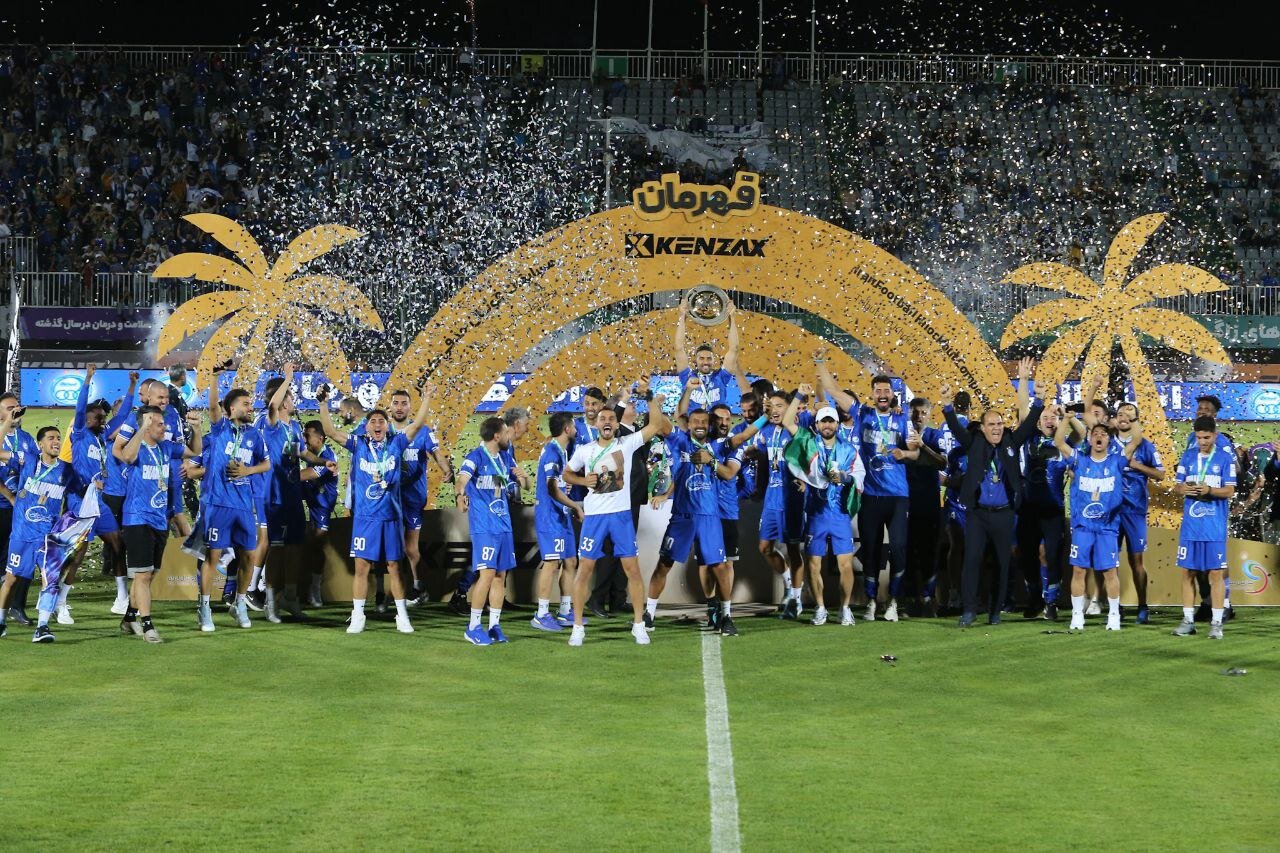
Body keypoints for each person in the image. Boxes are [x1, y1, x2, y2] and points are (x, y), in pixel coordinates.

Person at [317, 383, 433, 634]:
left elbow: (417, 425)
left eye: (382, 421)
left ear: (387, 426)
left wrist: (427, 398)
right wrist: (323, 404)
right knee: (362, 567)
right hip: (365, 518)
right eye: (373, 422)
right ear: (367, 427)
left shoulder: (397, 443)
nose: (377, 425)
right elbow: (330, 431)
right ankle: (358, 616)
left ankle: (402, 616)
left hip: (391, 517)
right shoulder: (358, 444)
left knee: (394, 567)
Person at [561, 394, 670, 646]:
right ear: (597, 424)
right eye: (603, 419)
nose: (607, 421)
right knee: (584, 570)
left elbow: (655, 425)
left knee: (632, 570)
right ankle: (577, 627)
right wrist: (582, 480)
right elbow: (567, 474)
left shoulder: (627, 444)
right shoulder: (585, 450)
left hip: (621, 516)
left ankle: (639, 626)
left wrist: (650, 398)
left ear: (616, 424)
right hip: (595, 518)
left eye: (611, 418)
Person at [816, 359, 918, 622]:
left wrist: (905, 452)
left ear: (892, 394)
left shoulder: (903, 418)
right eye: (878, 391)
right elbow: (833, 390)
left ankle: (894, 601)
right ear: (872, 394)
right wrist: (820, 362)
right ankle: (872, 602)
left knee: (899, 547)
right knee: (870, 549)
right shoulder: (863, 414)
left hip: (898, 495)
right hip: (870, 495)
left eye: (886, 391)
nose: (882, 394)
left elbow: (915, 453)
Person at [940, 376, 1045, 627]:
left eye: (999, 423)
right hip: (977, 513)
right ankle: (969, 610)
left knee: (1002, 563)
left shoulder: (1011, 442)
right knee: (972, 560)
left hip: (1004, 514)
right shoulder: (973, 443)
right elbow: (955, 427)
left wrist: (1039, 399)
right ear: (983, 428)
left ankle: (995, 611)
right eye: (991, 424)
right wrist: (946, 404)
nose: (997, 428)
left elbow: (1029, 424)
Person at [646, 407, 739, 635]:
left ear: (709, 425)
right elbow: (661, 423)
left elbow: (740, 445)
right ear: (688, 425)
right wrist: (650, 400)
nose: (700, 425)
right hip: (682, 516)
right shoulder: (680, 442)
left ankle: (726, 616)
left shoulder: (717, 447)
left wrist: (764, 417)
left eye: (704, 421)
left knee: (719, 567)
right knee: (664, 564)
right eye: (695, 421)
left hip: (709, 517)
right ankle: (648, 614)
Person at [113, 406, 202, 643]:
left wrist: (196, 429)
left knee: (150, 574)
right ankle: (148, 626)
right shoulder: (137, 448)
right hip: (137, 519)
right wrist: (141, 427)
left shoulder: (167, 447)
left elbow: (195, 450)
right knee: (143, 575)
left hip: (159, 519)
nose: (165, 427)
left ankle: (129, 618)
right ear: (147, 425)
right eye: (159, 424)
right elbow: (127, 456)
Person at [0, 426, 87, 641]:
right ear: (40, 444)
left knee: (51, 580)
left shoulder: (66, 470)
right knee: (11, 579)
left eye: (58, 438)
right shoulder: (28, 460)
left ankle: (42, 627)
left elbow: (81, 492)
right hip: (22, 534)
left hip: (48, 537)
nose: (56, 441)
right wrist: (6, 422)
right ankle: (1, 620)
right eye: (51, 438)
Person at [783, 398, 864, 627]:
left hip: (839, 514)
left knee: (845, 564)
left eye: (831, 421)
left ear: (837, 424)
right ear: (817, 425)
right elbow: (788, 421)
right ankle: (820, 608)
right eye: (823, 422)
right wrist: (799, 396)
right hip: (816, 513)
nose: (827, 425)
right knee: (813, 564)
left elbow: (859, 476)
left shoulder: (848, 449)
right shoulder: (808, 442)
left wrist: (844, 478)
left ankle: (845, 608)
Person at [200, 382, 272, 631]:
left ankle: (239, 603)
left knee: (249, 557)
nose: (251, 407)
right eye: (246, 404)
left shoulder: (254, 434)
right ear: (231, 408)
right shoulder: (220, 428)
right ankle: (204, 608)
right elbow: (212, 407)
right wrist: (215, 379)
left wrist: (247, 471)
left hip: (243, 505)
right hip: (219, 503)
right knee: (213, 557)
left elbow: (266, 464)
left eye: (251, 403)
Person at [65, 365, 134, 619]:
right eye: (98, 418)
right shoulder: (80, 434)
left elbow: (123, 416)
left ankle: (122, 598)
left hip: (98, 501)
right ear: (87, 419)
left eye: (103, 418)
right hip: (79, 500)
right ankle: (59, 600)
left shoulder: (101, 437)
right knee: (78, 552)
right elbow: (80, 407)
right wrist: (88, 379)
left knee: (117, 543)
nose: (103, 421)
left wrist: (132, 387)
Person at [1054, 408, 1129, 632]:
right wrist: (1067, 418)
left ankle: (1114, 615)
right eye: (1095, 433)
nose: (1099, 436)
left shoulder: (1116, 461)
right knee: (1079, 570)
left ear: (1109, 441)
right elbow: (1059, 442)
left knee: (1110, 572)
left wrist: (1132, 420)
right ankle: (1077, 615)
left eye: (1104, 434)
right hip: (1083, 527)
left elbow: (1135, 441)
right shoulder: (1079, 460)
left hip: (1107, 528)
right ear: (1089, 438)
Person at [1014, 359, 1070, 620]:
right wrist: (1024, 380)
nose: (1048, 419)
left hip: (1053, 509)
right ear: (1038, 421)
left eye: (1052, 417)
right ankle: (1035, 597)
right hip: (1028, 506)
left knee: (1050, 554)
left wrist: (1067, 416)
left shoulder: (1065, 443)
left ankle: (1051, 601)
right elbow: (1023, 411)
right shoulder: (1029, 437)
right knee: (1026, 554)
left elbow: (1081, 434)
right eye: (1044, 416)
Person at [1172, 415, 1236, 640]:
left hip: (1214, 527)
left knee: (1216, 573)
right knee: (1187, 572)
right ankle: (1188, 621)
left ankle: (1217, 623)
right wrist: (1184, 489)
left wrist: (1210, 491)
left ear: (1215, 436)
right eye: (1199, 438)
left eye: (1206, 438)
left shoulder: (1225, 458)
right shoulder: (1188, 456)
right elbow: (1177, 486)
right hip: (1191, 527)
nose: (1202, 442)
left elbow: (1230, 490)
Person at [456, 416, 518, 645]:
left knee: (500, 576)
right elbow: (462, 479)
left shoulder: (505, 457)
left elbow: (521, 484)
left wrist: (523, 480)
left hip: (504, 525)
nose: (509, 436)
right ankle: (473, 626)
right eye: (506, 432)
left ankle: (494, 626)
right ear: (497, 436)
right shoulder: (475, 457)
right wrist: (459, 495)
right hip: (484, 526)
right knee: (487, 574)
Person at [387, 389, 452, 605]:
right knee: (389, 547)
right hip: (387, 498)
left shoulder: (422, 431)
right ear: (390, 406)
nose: (399, 407)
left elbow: (436, 452)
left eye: (403, 403)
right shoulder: (382, 431)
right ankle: (389, 591)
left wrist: (446, 469)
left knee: (410, 548)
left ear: (410, 406)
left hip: (413, 498)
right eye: (396, 403)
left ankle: (418, 588)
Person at [748, 389, 808, 616]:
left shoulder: (796, 431)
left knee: (793, 550)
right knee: (764, 547)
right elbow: (763, 460)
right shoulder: (766, 431)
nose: (774, 410)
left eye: (779, 406)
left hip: (791, 499)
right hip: (771, 498)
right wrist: (754, 455)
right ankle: (789, 584)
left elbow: (809, 459)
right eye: (771, 406)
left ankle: (797, 600)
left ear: (789, 409)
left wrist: (805, 481)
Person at [260, 367, 308, 623]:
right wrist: (288, 378)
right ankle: (270, 603)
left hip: (293, 496)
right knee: (277, 550)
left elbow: (302, 454)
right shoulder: (273, 425)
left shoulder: (295, 427)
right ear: (284, 401)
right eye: (290, 396)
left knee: (295, 549)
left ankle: (290, 597)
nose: (293, 400)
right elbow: (272, 406)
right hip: (275, 496)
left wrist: (322, 461)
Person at [530, 412, 583, 632]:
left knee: (570, 561)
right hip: (550, 516)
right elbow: (551, 489)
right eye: (574, 425)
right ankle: (541, 614)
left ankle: (564, 610)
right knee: (552, 563)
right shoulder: (552, 452)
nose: (576, 429)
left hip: (561, 515)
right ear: (567, 429)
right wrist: (575, 506)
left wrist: (566, 489)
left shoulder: (561, 450)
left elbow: (557, 484)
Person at [1112, 402, 1165, 624]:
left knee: (1136, 560)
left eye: (1129, 415)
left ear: (1136, 420)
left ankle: (1143, 606)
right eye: (1120, 414)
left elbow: (1160, 475)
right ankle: (1114, 606)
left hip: (1135, 511)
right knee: (1110, 561)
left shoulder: (1145, 446)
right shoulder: (1108, 442)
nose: (1124, 417)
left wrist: (1137, 466)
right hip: (1111, 511)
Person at [675, 297, 740, 411]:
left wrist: (732, 317)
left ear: (714, 360)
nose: (705, 362)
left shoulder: (721, 377)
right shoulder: (687, 376)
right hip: (692, 422)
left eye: (709, 358)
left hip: (716, 422)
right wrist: (682, 316)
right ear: (695, 360)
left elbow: (734, 349)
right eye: (701, 358)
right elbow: (678, 348)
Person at [300, 419, 339, 606]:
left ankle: (314, 589)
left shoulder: (328, 456)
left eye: (307, 436)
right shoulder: (311, 454)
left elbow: (306, 475)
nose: (304, 439)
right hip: (309, 496)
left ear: (320, 438)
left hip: (322, 505)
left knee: (317, 544)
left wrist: (280, 474)